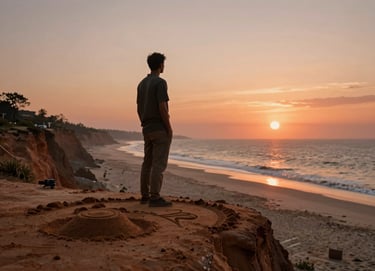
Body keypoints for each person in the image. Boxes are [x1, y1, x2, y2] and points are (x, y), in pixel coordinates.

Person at [136, 52, 173, 207]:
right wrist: (168, 128)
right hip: (159, 128)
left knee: (147, 163)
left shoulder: (141, 84)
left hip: (146, 128)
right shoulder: (160, 82)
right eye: (163, 64)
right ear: (160, 65)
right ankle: (155, 197)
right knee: (158, 164)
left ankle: (145, 195)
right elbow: (162, 107)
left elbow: (138, 108)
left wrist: (144, 123)